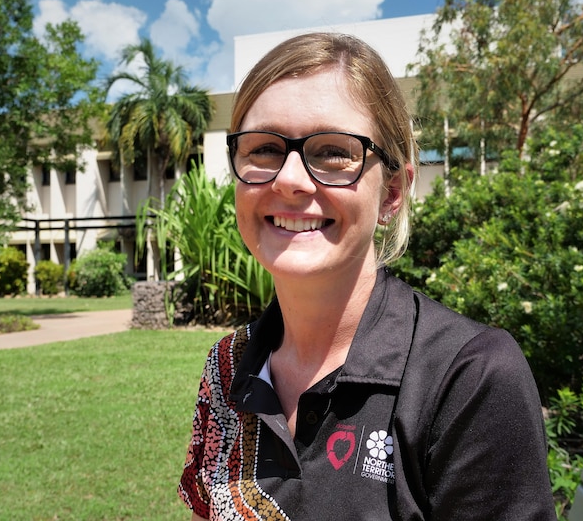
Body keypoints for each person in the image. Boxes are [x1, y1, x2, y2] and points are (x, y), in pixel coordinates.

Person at [178, 32, 556, 520]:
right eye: (265, 149)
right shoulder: (227, 367)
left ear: (393, 192)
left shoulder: (469, 379)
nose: (289, 179)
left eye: (333, 151)